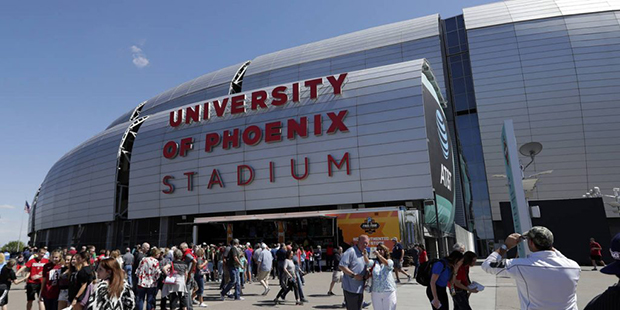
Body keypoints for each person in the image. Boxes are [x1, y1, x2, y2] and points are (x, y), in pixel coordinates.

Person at [481, 226, 581, 310]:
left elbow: (488, 265)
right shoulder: (573, 266)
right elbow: (558, 256)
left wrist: (505, 246)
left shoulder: (521, 266)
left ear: (531, 243)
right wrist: (548, 245)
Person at [585, 232, 620, 309]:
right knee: (593, 260)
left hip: (597, 253)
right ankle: (595, 266)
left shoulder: (596, 305)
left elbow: (600, 248)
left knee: (599, 261)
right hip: (594, 254)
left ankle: (603, 265)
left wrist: (595, 249)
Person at [339, 235, 370, 310]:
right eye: (363, 243)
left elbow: (366, 265)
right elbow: (342, 266)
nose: (365, 245)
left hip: (360, 289)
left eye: (366, 243)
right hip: (350, 289)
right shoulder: (351, 251)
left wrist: (367, 272)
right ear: (358, 241)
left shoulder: (364, 253)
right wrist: (354, 275)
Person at [367, 244, 397, 310]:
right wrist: (364, 255)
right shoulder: (374, 262)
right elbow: (367, 262)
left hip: (388, 291)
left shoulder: (389, 261)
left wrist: (378, 255)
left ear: (385, 251)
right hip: (376, 291)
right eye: (378, 249)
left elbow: (387, 264)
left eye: (381, 249)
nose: (379, 251)